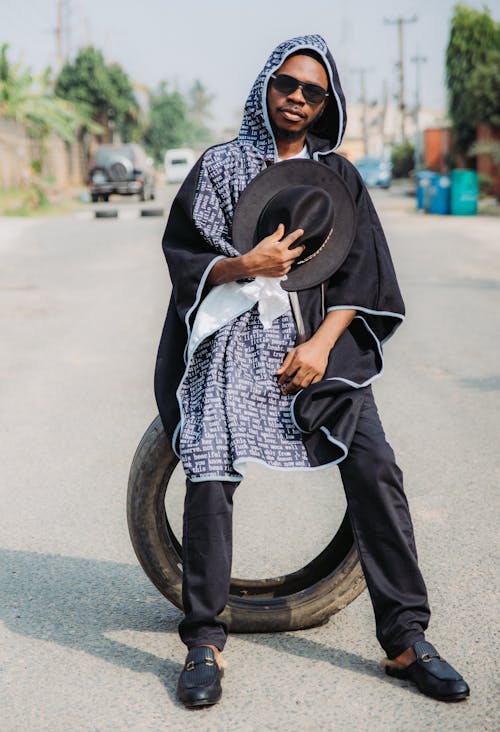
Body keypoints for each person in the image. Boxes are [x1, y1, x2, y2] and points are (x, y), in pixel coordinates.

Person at [154, 35, 469, 708]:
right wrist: (246, 266)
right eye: (286, 85)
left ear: (328, 103)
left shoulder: (342, 178)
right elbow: (185, 251)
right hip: (234, 342)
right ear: (266, 86)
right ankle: (204, 639)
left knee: (375, 464)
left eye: (312, 92)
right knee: (209, 461)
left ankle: (406, 637)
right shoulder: (218, 167)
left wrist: (323, 344)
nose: (296, 98)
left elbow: (363, 271)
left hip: (314, 349)